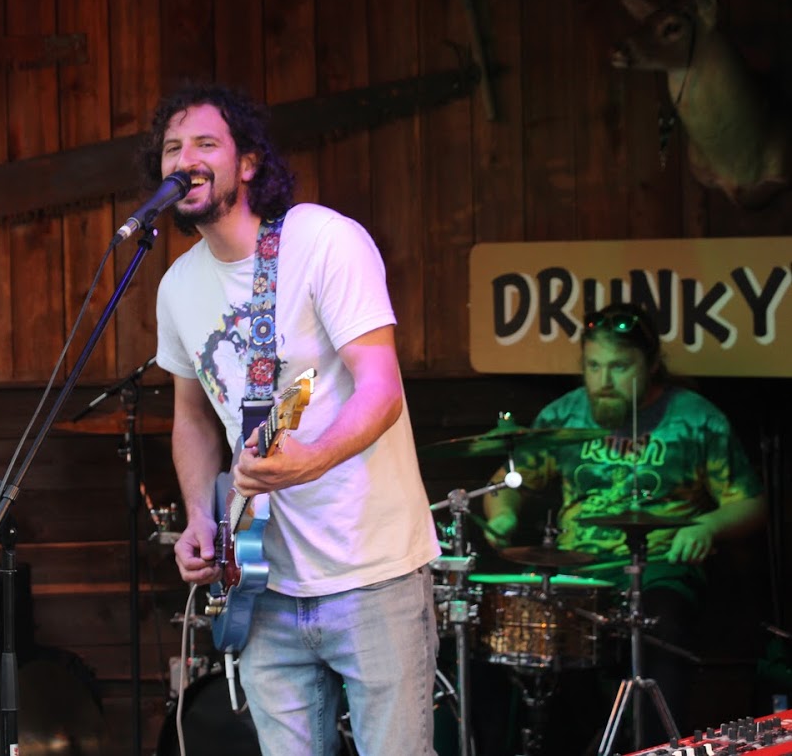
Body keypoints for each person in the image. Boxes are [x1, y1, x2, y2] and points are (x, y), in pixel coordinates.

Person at [143, 82, 441, 755]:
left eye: (204, 143)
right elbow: (192, 415)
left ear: (247, 163)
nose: (183, 158)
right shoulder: (178, 286)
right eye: (171, 148)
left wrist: (314, 457)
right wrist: (197, 515)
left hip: (371, 569)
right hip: (261, 581)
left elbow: (382, 387)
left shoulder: (323, 240)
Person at [481, 301, 767, 754]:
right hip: (577, 572)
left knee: (662, 628)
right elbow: (507, 481)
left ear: (652, 364)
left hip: (659, 566)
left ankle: (655, 747)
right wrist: (504, 515)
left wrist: (708, 525)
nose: (604, 381)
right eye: (593, 366)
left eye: (619, 367)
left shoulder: (695, 418)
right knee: (530, 651)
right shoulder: (564, 415)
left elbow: (750, 503)